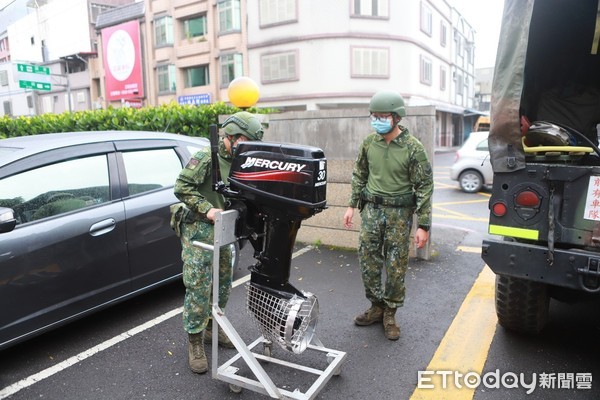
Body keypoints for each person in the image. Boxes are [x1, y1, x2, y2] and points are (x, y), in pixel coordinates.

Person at [172, 111, 264, 373]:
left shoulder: (239, 160)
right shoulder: (205, 157)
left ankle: (214, 328)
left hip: (224, 230)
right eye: (244, 140)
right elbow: (181, 187)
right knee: (199, 286)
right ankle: (195, 341)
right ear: (232, 136)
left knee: (223, 283)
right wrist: (207, 209)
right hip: (199, 229)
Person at [343, 90, 433, 341]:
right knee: (368, 260)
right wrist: (351, 205)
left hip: (399, 214)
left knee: (396, 265)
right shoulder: (369, 143)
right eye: (374, 116)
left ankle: (390, 312)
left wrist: (423, 225)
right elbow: (359, 174)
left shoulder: (413, 148)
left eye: (382, 116)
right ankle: (376, 306)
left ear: (396, 117)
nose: (377, 120)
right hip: (371, 210)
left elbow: (425, 186)